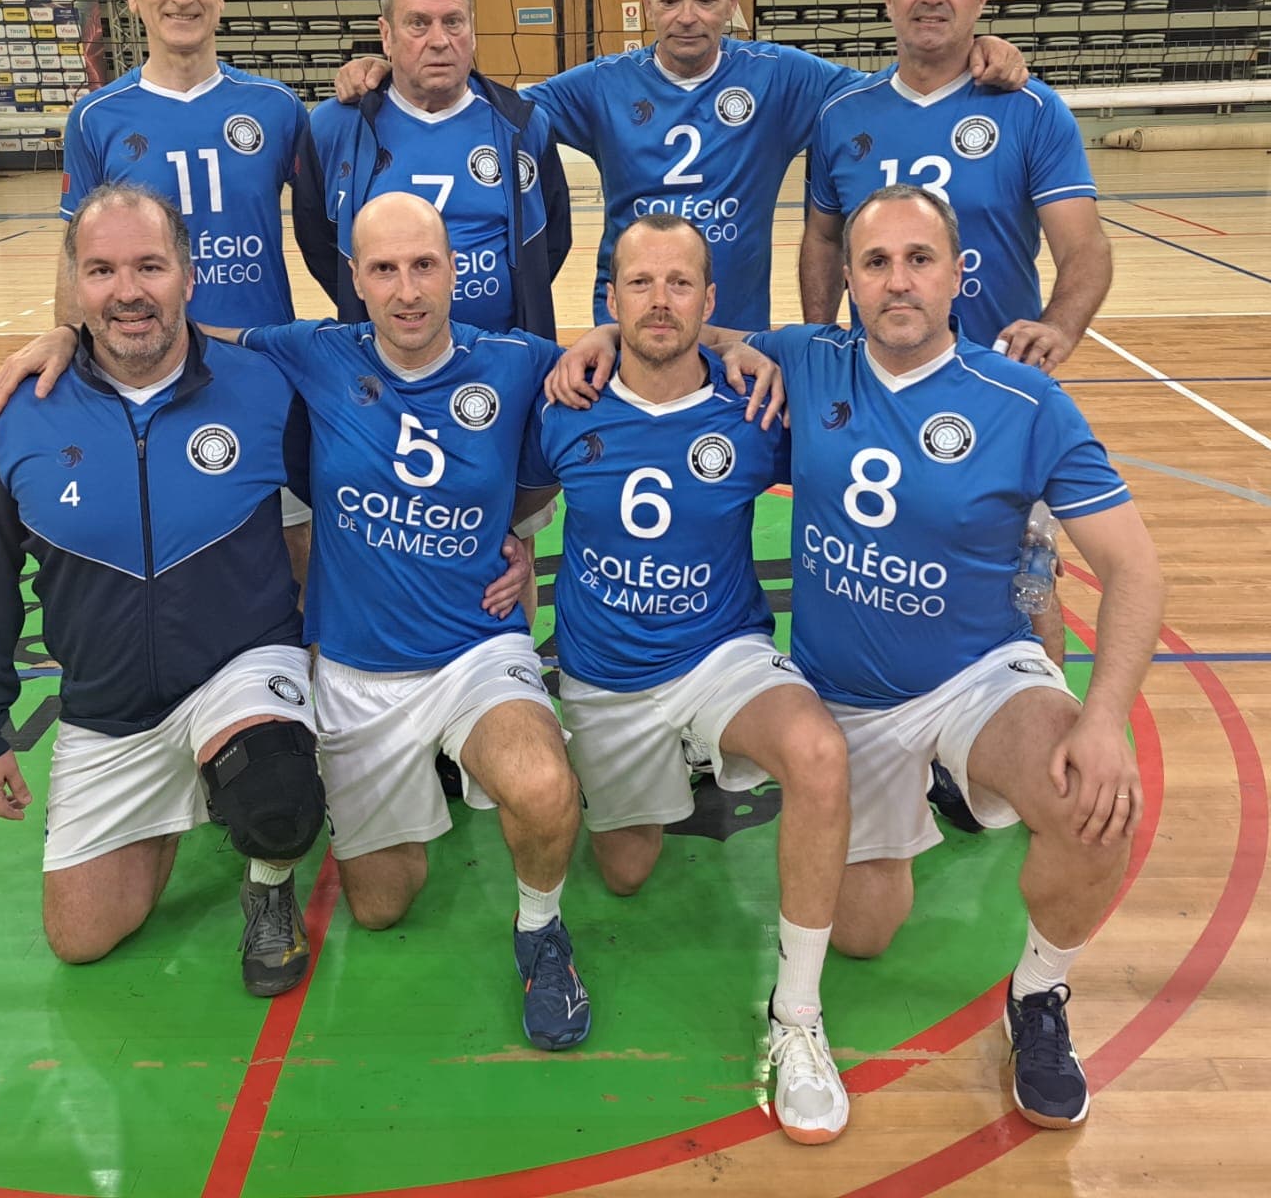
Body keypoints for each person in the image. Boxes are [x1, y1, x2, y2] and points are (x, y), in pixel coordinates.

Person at [560, 184, 1163, 1129]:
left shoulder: (1024, 401)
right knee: (868, 936)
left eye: (919, 259)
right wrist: (597, 339)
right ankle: (925, 796)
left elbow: (1135, 571)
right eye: (875, 263)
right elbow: (691, 334)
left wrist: (1104, 718)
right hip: (847, 700)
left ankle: (1040, 997)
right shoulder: (809, 361)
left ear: (959, 274)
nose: (898, 282)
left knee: (1095, 811)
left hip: (978, 679)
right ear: (845, 280)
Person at [0, 185, 327, 996]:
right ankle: (181, 799)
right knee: (80, 938)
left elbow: (360, 501)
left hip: (239, 668)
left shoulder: (265, 388)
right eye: (103, 270)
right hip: (110, 706)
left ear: (189, 275)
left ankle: (267, 876)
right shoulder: (15, 414)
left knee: (279, 793)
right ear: (76, 287)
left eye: (150, 266)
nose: (128, 292)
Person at [239, 192, 592, 1051]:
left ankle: (541, 929)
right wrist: (68, 334)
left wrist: (514, 527)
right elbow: (187, 342)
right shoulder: (313, 353)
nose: (407, 290)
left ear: (456, 270)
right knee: (382, 905)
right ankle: (278, 865)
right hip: (359, 672)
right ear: (354, 278)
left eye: (424, 265)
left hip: (475, 651)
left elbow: (599, 387)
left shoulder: (513, 362)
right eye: (385, 269)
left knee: (546, 788)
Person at [537, 213, 852, 1142]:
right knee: (626, 872)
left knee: (818, 755)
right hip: (604, 675)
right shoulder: (564, 403)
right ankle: (675, 762)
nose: (660, 300)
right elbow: (498, 504)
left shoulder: (756, 406)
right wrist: (507, 566)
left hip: (722, 655)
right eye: (640, 284)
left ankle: (797, 1020)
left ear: (712, 303)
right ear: (610, 300)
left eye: (681, 284)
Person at [334, 0, 1028, 331]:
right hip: (629, 326)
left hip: (735, 332)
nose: (688, 14)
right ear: (646, 8)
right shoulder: (603, 83)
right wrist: (385, 67)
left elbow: (897, 89)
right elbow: (482, 106)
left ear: (733, 2)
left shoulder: (783, 78)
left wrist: (976, 50)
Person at [798, 0, 1111, 681]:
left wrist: (1060, 327)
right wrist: (821, 347)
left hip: (996, 383)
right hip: (881, 380)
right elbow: (821, 242)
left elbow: (1087, 249)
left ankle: (1035, 709)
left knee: (1025, 568)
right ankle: (906, 704)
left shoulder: (1031, 109)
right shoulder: (843, 114)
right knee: (895, 561)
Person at [0, 0, 322, 585]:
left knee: (296, 557)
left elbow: (325, 236)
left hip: (264, 376)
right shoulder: (98, 117)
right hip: (147, 375)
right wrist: (69, 336)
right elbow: (77, 256)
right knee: (169, 560)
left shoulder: (278, 109)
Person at [297, 0, 570, 340]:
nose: (439, 40)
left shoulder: (524, 124)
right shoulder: (334, 127)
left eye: (453, 22)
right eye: (418, 23)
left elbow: (551, 240)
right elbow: (320, 244)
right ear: (387, 35)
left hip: (502, 356)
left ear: (473, 32)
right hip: (383, 366)